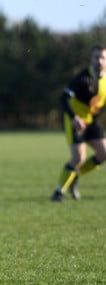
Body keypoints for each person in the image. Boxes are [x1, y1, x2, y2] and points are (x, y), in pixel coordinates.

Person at [51, 45, 106, 202]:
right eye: (96, 57)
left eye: (102, 57)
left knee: (104, 153)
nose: (99, 61)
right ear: (91, 59)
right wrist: (74, 117)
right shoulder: (82, 78)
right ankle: (58, 193)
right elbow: (63, 98)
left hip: (92, 122)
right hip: (75, 121)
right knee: (78, 158)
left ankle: (74, 175)